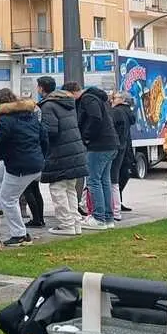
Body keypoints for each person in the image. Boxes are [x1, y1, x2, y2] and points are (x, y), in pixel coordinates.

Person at [0, 89, 47, 247]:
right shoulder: (30, 115)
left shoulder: (5, 119)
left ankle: (19, 234)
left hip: (19, 164)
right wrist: (42, 156)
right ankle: (1, 211)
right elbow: (44, 137)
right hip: (33, 160)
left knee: (8, 198)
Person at [62, 81, 119, 231]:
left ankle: (98, 217)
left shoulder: (87, 99)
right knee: (104, 181)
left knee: (93, 181)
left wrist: (86, 137)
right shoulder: (97, 98)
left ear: (72, 92)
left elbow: (95, 118)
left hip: (98, 145)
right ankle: (108, 217)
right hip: (109, 143)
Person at [37, 77, 88, 236]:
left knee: (58, 189)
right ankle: (75, 223)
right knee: (70, 189)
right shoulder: (68, 103)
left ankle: (66, 224)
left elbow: (50, 131)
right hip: (74, 150)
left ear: (41, 88)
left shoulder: (48, 106)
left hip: (59, 152)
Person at [109, 92, 136, 218]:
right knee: (118, 176)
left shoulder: (117, 112)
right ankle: (117, 204)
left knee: (113, 178)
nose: (112, 100)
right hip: (124, 147)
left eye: (115, 98)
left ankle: (115, 206)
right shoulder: (127, 112)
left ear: (123, 100)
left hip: (118, 147)